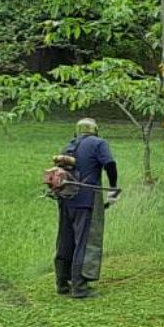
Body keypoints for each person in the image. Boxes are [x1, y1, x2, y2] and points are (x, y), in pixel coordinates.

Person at [54, 118, 119, 299]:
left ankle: (62, 283)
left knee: (65, 241)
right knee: (85, 242)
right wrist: (113, 187)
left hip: (66, 199)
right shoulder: (98, 143)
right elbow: (110, 164)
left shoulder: (68, 146)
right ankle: (80, 288)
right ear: (95, 130)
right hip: (86, 200)